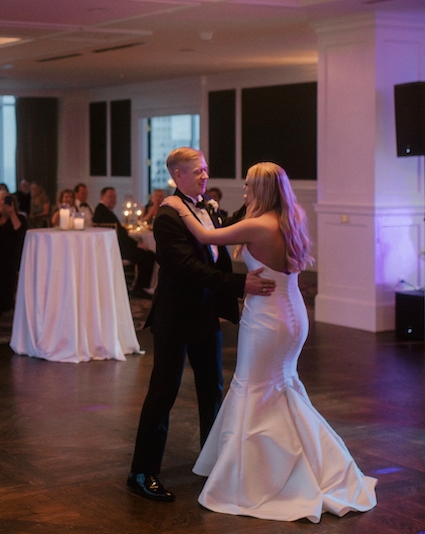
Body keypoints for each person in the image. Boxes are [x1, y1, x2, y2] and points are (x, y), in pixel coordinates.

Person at [162, 162, 377, 522]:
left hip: (267, 319)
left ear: (260, 190)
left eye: (247, 186)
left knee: (254, 388)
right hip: (292, 311)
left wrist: (178, 205)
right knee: (281, 386)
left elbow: (203, 237)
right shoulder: (290, 217)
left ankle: (256, 478)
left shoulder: (257, 224)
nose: (243, 191)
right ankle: (308, 463)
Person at [127, 148, 275, 503]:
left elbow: (231, 226)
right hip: (174, 316)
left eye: (206, 170)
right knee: (164, 392)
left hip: (205, 315)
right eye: (198, 172)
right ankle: (142, 472)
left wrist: (260, 191)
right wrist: (242, 285)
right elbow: (189, 268)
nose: (205, 177)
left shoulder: (207, 208)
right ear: (178, 175)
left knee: (213, 391)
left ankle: (214, 464)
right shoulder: (167, 218)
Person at [93, 187, 155, 299]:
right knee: (149, 256)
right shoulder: (104, 212)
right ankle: (139, 289)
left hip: (115, 247)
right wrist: (137, 244)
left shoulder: (102, 210)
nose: (113, 199)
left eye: (115, 196)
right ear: (102, 197)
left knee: (147, 254)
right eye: (110, 196)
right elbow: (120, 236)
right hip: (117, 249)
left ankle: (137, 287)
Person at [0, 190, 26, 315]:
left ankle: (6, 306)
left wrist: (12, 213)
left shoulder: (20, 218)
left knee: (7, 271)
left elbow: (20, 231)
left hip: (11, 256)